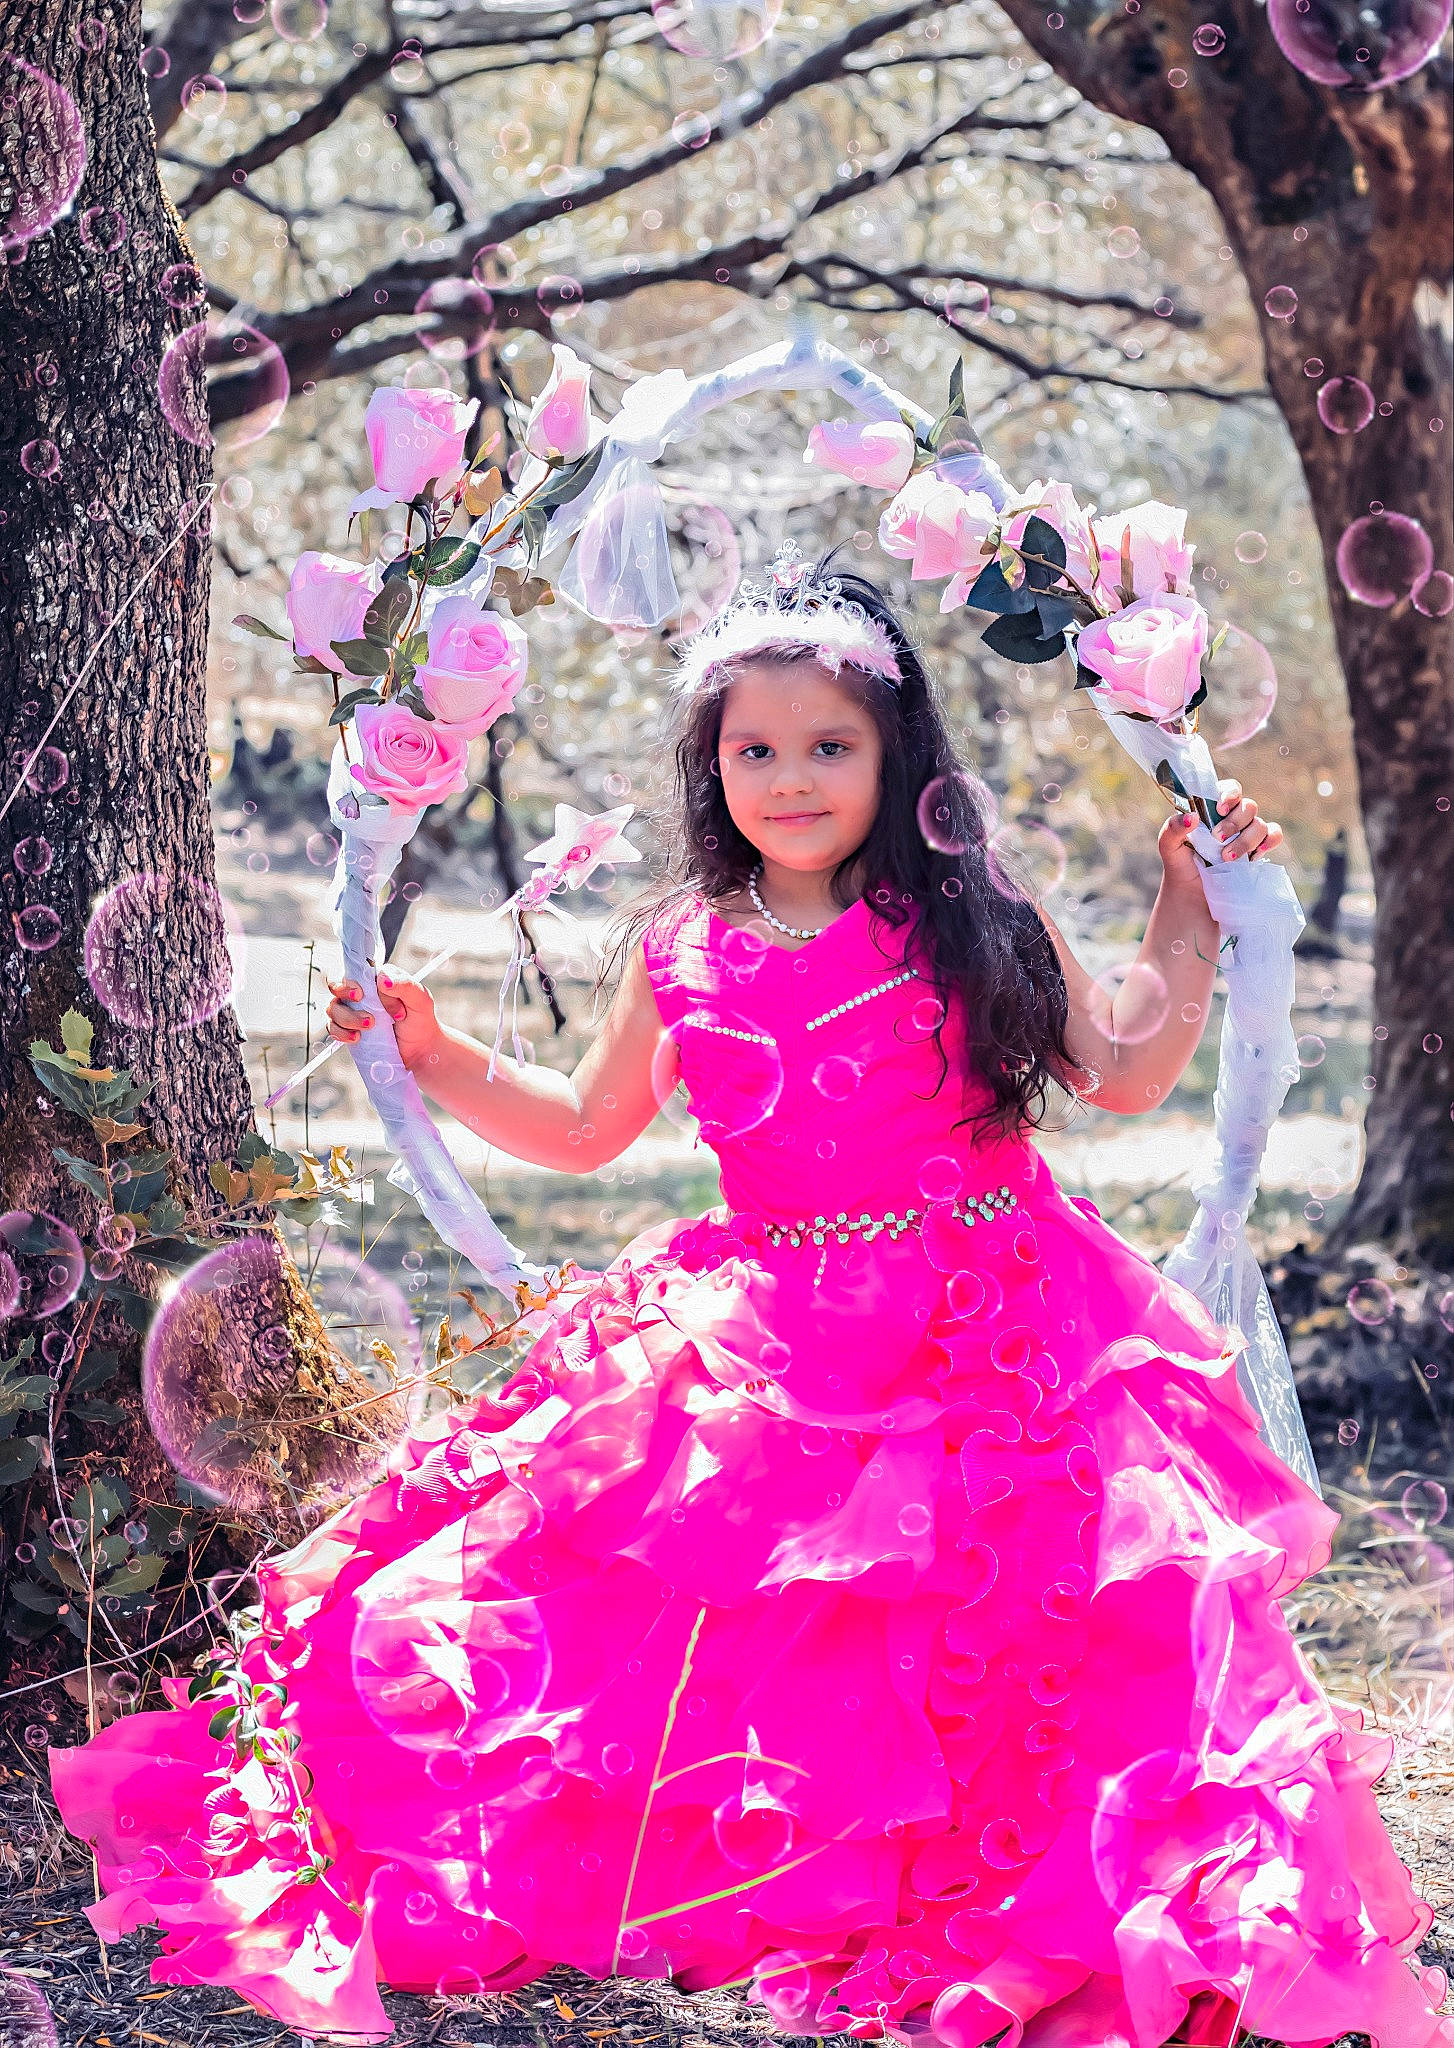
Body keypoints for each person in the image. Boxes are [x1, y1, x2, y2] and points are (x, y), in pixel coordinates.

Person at [52, 564, 1452, 2048]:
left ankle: (1061, 1884)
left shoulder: (966, 908)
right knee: (738, 1619)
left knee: (1031, 1621)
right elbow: (588, 1129)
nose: (789, 779)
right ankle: (762, 1856)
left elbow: (1125, 1071)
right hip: (777, 1329)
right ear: (711, 765)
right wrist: (443, 1056)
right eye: (753, 749)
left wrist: (1185, 909)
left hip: (998, 1324)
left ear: (896, 754)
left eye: (829, 746)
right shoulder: (683, 941)